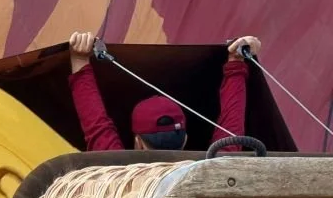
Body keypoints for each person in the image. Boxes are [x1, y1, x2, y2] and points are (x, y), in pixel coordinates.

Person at [67, 31, 262, 152]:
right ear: (185, 140)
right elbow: (231, 128)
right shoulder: (216, 172)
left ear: (138, 143)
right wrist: (236, 61)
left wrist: (79, 59)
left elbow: (97, 126)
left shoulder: (118, 176)